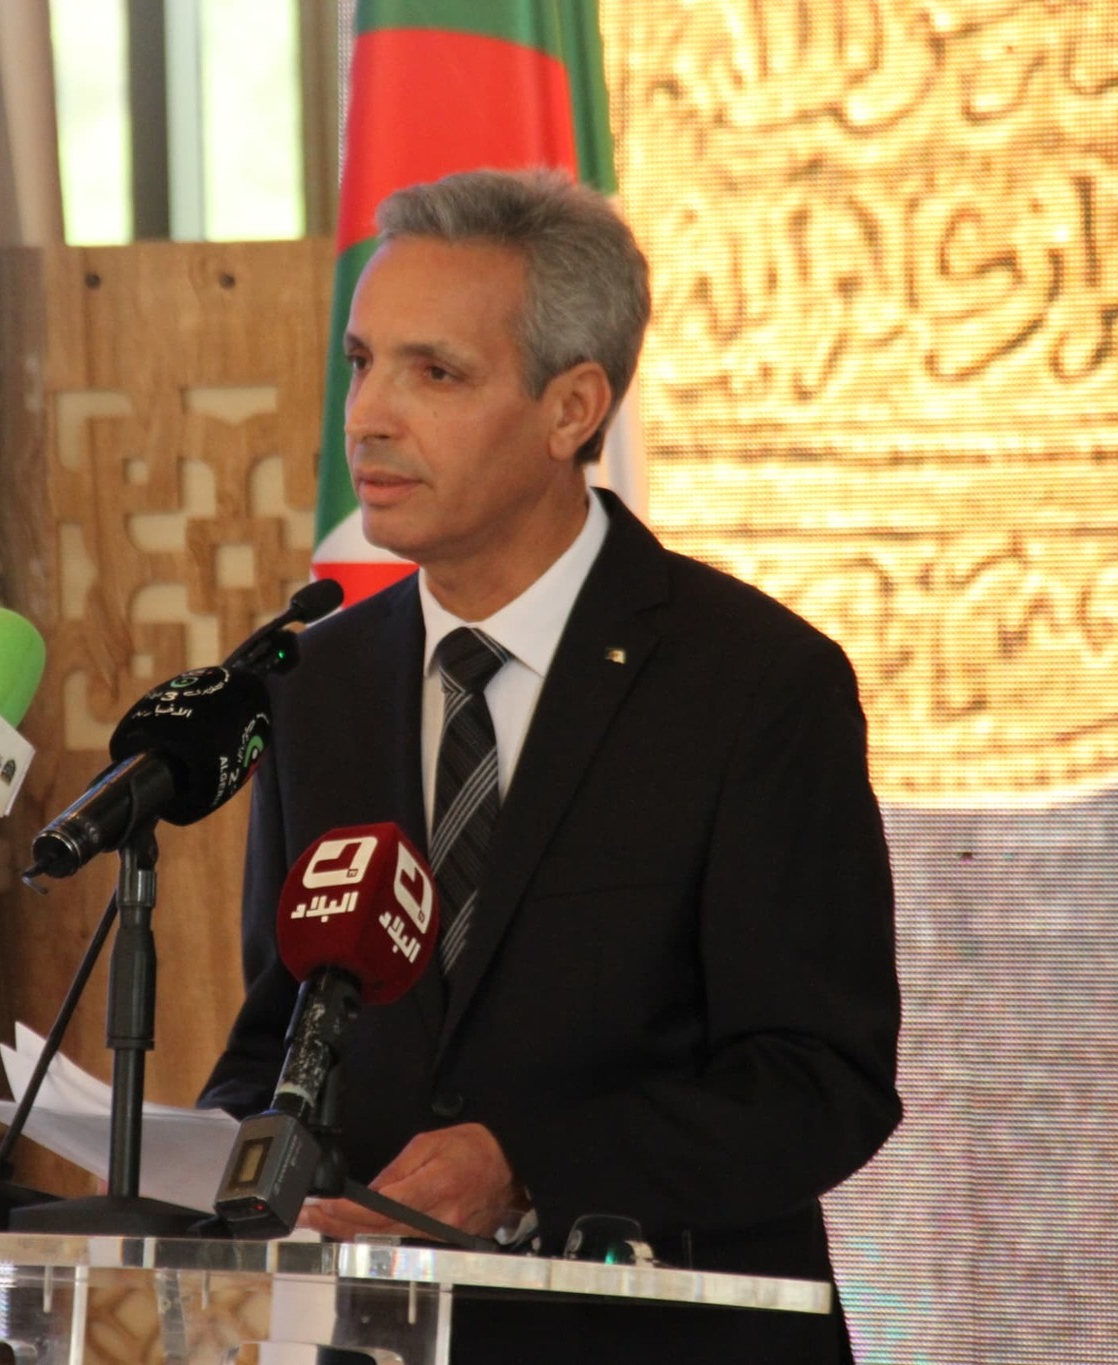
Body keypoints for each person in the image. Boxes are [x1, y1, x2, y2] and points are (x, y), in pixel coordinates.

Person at [200, 168, 901, 1363]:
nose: (367, 417)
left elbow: (816, 1082)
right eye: (361, 364)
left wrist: (527, 1166)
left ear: (570, 407)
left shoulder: (752, 685)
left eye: (434, 373)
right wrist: (219, 1153)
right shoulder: (314, 685)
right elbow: (283, 1036)